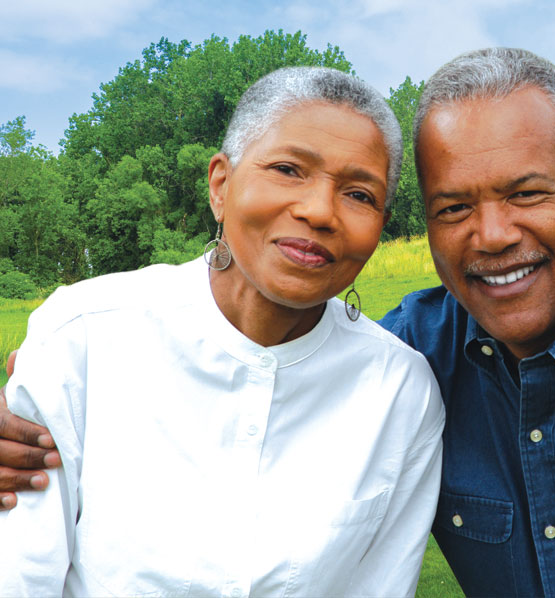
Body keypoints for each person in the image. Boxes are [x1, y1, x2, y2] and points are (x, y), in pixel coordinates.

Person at [3, 47, 555, 596]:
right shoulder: (87, 338)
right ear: (219, 182)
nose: (491, 236)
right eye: (454, 207)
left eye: (525, 193)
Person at [0, 66, 444, 597]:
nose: (320, 211)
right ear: (220, 184)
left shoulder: (401, 393)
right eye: (287, 168)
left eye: (359, 195)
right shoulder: (84, 338)